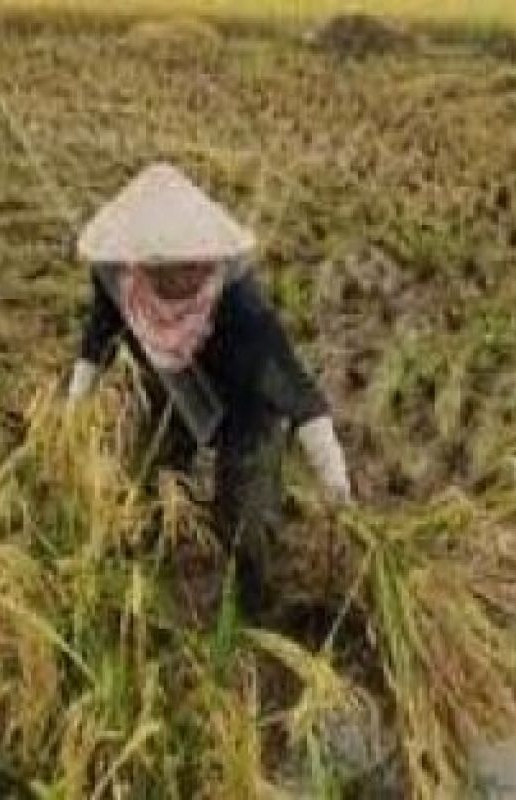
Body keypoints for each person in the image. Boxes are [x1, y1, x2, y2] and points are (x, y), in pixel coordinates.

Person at [66, 163, 352, 615]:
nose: (177, 277)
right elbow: (99, 334)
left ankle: (252, 607)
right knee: (151, 486)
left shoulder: (239, 305)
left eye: (188, 267)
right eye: (164, 268)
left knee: (245, 517)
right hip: (167, 386)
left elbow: (292, 386)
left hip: (243, 403)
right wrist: (71, 411)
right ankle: (149, 587)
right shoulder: (123, 281)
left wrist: (333, 476)